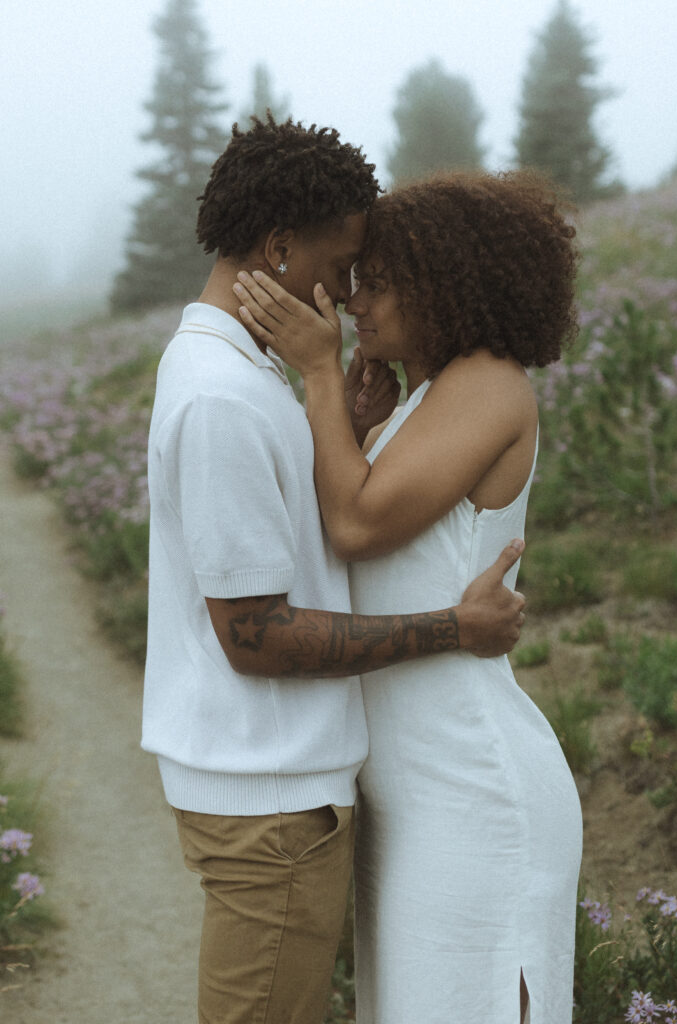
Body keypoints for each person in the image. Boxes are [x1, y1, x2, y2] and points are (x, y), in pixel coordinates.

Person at [141, 117, 527, 1024]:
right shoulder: (222, 396)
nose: (351, 291)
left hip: (281, 791)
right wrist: (451, 629)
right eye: (344, 262)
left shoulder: (246, 375)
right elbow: (256, 635)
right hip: (270, 803)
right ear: (279, 249)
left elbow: (288, 548)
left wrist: (346, 428)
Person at [234, 168, 584, 1024]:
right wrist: (353, 424)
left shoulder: (489, 383)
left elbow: (356, 526)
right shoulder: (418, 400)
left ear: (445, 286)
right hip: (412, 789)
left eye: (381, 282)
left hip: (471, 787)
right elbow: (350, 544)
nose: (355, 301)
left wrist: (317, 373)